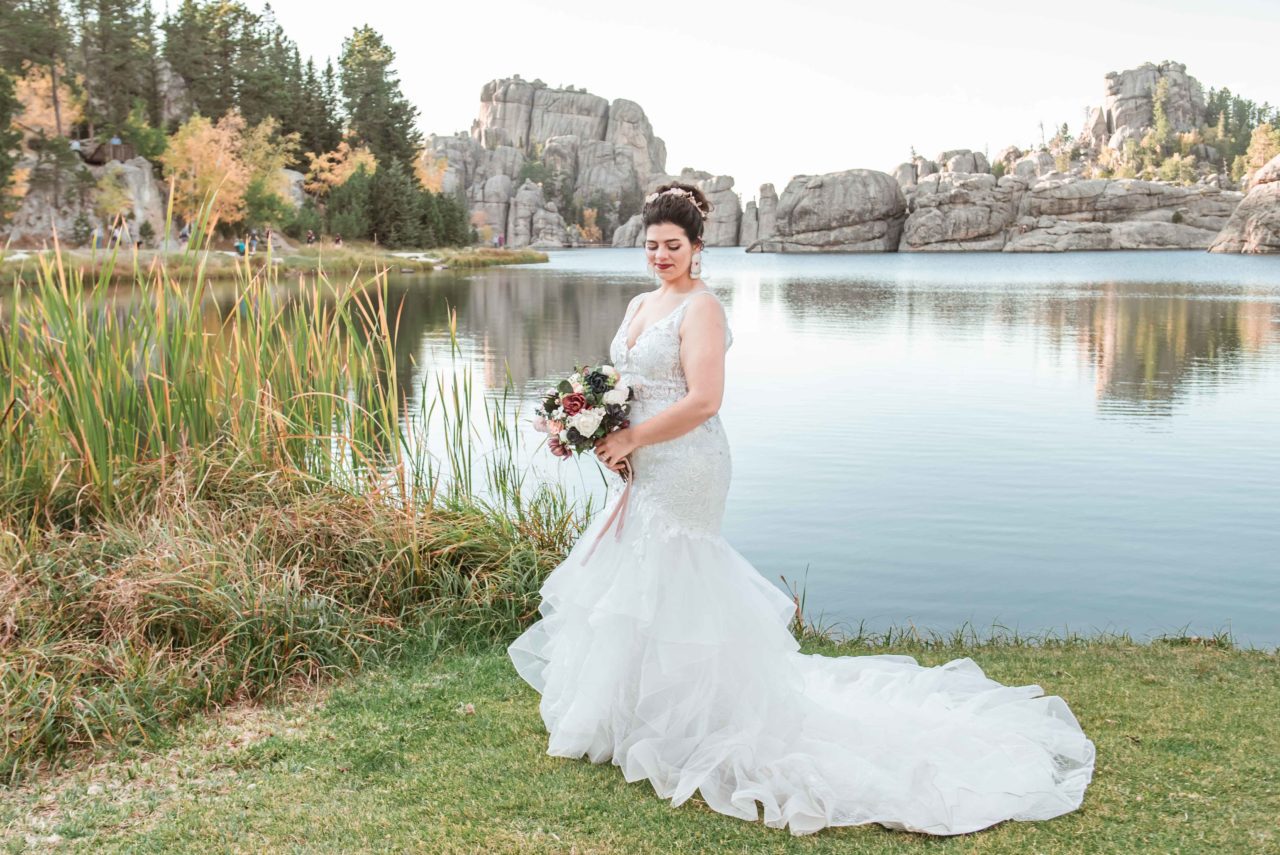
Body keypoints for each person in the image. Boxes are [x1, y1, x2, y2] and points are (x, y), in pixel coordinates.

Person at [508, 182, 1095, 838]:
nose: (660, 255)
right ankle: (632, 717)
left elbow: (705, 399)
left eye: (673, 246)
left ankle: (696, 720)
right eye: (651, 246)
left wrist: (634, 437)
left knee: (676, 571)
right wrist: (604, 439)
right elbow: (625, 387)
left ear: (698, 248)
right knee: (638, 573)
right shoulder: (642, 302)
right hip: (642, 459)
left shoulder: (702, 309)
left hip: (688, 462)